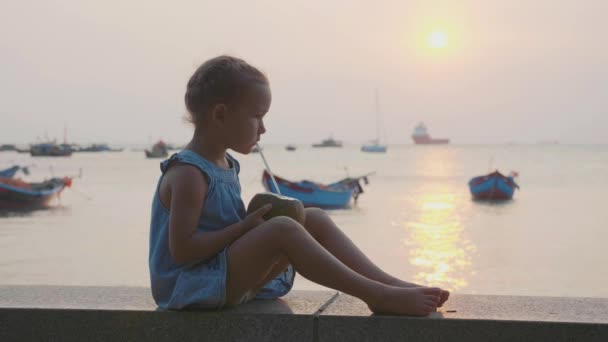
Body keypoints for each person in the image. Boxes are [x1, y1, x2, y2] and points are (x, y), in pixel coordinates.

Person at [149, 55, 449, 315]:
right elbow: (184, 251)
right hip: (191, 287)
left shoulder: (226, 164)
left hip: (224, 279)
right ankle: (376, 296)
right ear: (221, 114)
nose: (263, 128)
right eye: (257, 117)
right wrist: (245, 228)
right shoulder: (189, 173)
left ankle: (389, 284)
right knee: (283, 229)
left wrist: (249, 225)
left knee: (313, 217)